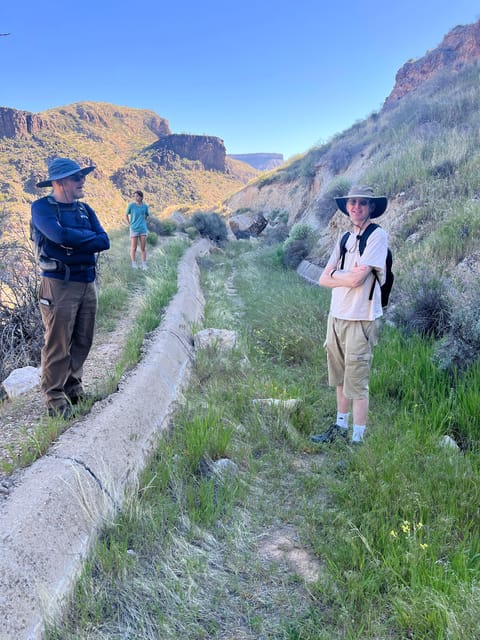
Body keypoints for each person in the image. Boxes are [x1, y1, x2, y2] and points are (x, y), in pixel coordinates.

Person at [31, 157, 110, 418]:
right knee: (58, 342)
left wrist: (73, 242)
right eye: (76, 177)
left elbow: (104, 241)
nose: (82, 181)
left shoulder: (85, 209)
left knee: (83, 340)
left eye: (81, 176)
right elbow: (59, 236)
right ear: (59, 182)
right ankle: (54, 400)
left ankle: (73, 389)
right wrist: (82, 240)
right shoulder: (42, 208)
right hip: (59, 285)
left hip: (87, 282)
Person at [310, 185, 388, 445]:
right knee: (341, 376)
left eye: (362, 203)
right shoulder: (344, 238)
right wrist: (343, 275)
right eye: (352, 202)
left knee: (357, 381)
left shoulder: (377, 236)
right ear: (347, 207)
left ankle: (357, 440)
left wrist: (337, 275)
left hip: (361, 319)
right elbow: (323, 278)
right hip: (337, 316)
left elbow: (356, 280)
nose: (356, 207)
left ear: (371, 208)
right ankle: (340, 426)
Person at [125, 190, 149, 270]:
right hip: (134, 228)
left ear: (141, 197)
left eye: (137, 196)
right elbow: (126, 215)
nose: (136, 197)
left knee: (143, 248)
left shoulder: (145, 206)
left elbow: (146, 216)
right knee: (133, 248)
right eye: (135, 196)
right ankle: (134, 264)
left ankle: (144, 265)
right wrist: (130, 224)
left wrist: (142, 222)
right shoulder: (131, 205)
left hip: (142, 229)